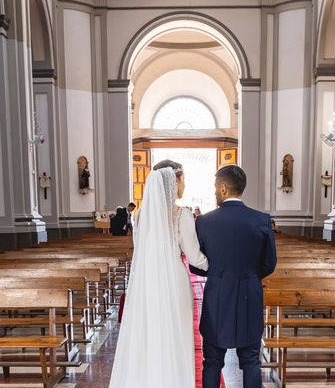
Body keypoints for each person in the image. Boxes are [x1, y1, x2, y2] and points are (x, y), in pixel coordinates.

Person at [109, 160, 208, 388]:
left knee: (150, 332)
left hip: (147, 280)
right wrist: (218, 266)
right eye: (184, 179)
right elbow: (195, 257)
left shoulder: (141, 215)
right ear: (174, 182)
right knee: (176, 335)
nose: (185, 184)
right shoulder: (180, 214)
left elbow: (141, 249)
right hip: (174, 279)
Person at [190, 165, 277, 388]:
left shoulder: (205, 222)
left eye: (215, 188)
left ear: (222, 188)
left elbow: (198, 266)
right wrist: (249, 275)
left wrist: (217, 272)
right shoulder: (262, 220)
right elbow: (269, 264)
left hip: (217, 297)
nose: (214, 192)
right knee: (250, 362)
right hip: (250, 296)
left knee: (211, 362)